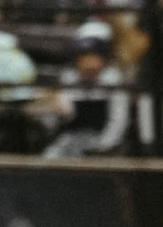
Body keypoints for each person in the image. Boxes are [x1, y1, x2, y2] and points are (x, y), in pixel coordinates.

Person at [43, 21, 131, 159]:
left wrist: (101, 149)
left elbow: (118, 122)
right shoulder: (69, 78)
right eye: (84, 55)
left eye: (94, 54)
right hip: (72, 141)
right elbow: (60, 120)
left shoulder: (113, 80)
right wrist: (57, 111)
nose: (88, 61)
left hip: (103, 145)